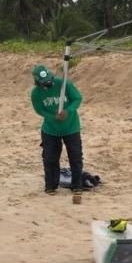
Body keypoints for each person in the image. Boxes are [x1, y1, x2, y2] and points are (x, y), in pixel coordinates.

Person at [31, 65, 84, 195]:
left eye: (49, 80)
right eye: (44, 82)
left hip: (71, 127)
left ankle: (77, 185)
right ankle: (51, 185)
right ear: (37, 81)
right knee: (50, 158)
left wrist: (68, 110)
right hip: (50, 130)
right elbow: (39, 110)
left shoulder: (63, 84)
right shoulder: (36, 93)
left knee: (76, 157)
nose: (48, 84)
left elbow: (77, 99)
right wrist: (52, 116)